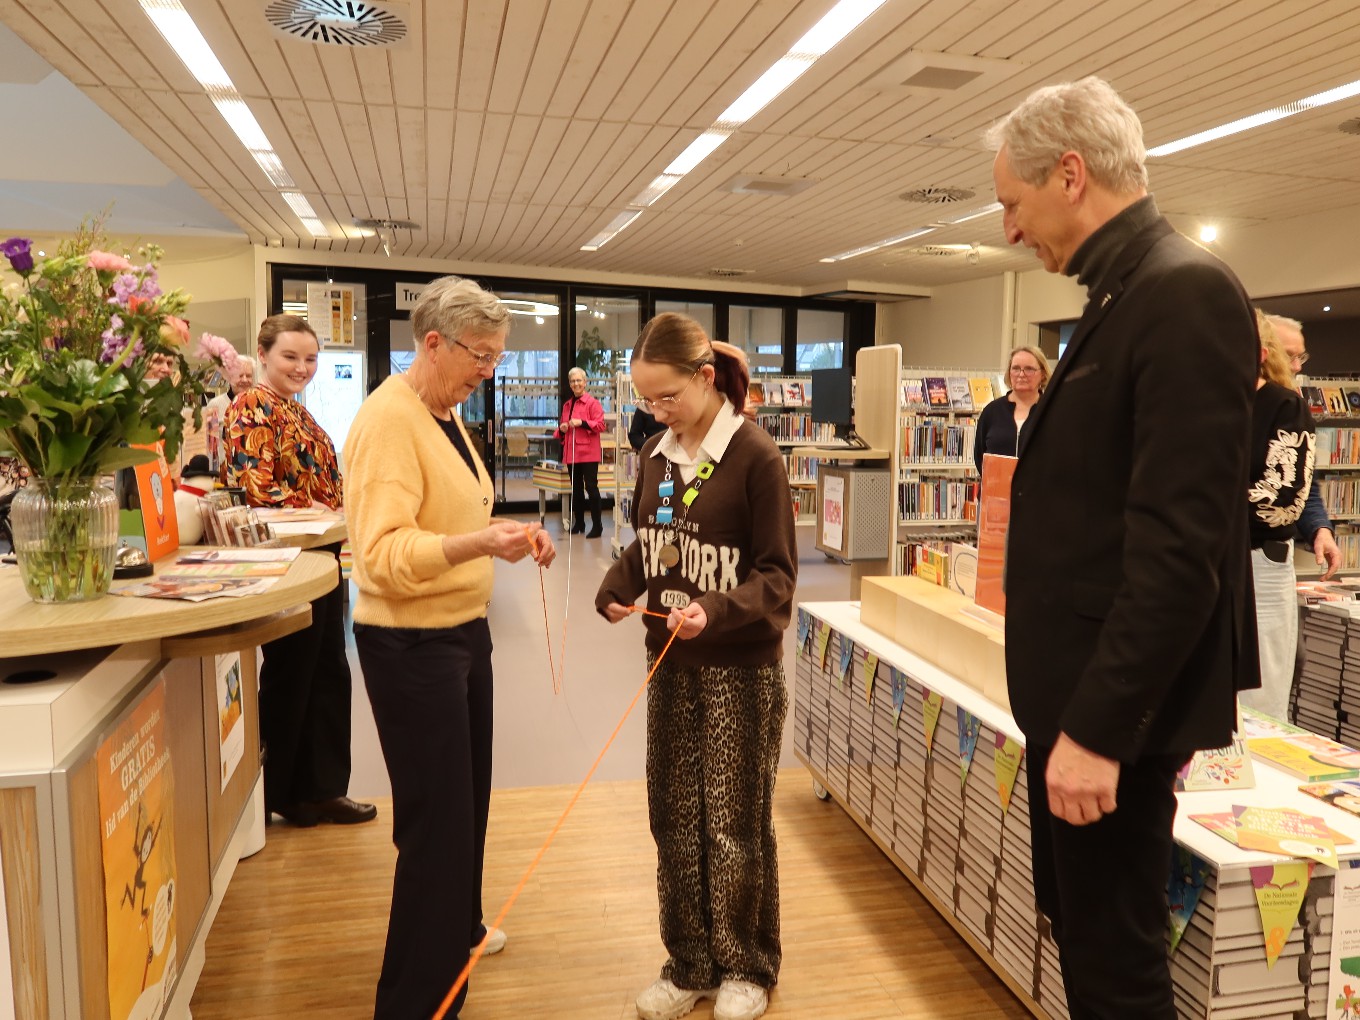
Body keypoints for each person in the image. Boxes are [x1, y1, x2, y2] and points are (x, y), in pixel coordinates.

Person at [985, 77, 1259, 1019]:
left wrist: (1098, 732)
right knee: (1085, 934)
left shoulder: (1183, 293)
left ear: (1070, 175)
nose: (1011, 231)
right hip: (1076, 710)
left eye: (1012, 205)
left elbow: (1180, 552)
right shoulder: (1121, 293)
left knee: (1117, 963)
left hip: (1112, 726)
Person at [343, 276, 555, 1020]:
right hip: (412, 646)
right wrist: (479, 543)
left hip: (460, 634)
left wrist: (507, 538)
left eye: (497, 356)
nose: (490, 370)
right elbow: (379, 555)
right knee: (437, 831)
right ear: (432, 342)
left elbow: (455, 509)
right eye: (481, 355)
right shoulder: (389, 421)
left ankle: (457, 931)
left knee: (467, 810)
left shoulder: (444, 414)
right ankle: (416, 1004)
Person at [595, 312, 798, 1020]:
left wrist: (717, 610)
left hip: (739, 671)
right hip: (671, 662)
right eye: (646, 400)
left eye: (667, 398)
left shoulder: (756, 457)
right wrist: (619, 585)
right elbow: (653, 543)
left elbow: (777, 577)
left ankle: (746, 965)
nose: (656, 412)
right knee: (673, 817)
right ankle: (690, 963)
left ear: (706, 380)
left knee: (733, 820)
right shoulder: (655, 454)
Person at [221, 314, 375, 829]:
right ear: (262, 354)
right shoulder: (250, 408)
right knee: (291, 675)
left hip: (323, 555)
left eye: (310, 359)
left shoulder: (297, 412)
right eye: (290, 357)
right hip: (286, 558)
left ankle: (322, 788)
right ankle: (271, 792)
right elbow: (256, 491)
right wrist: (328, 514)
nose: (302, 368)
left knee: (329, 670)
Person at [1240, 311, 1314, 721]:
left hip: (1257, 562)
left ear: (1260, 353)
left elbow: (1283, 500)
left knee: (1260, 698)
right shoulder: (1202, 406)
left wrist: (1200, 512)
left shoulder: (1284, 406)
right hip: (1202, 560)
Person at [1270, 313, 1343, 579]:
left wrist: (1320, 529)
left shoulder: (1294, 410)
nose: (1297, 366)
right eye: (1289, 355)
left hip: (1276, 555)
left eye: (1301, 357)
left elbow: (1302, 484)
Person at [972, 345, 1050, 472]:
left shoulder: (1052, 411)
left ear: (1043, 374)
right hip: (996, 490)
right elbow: (979, 456)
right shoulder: (991, 412)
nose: (1021, 374)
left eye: (1029, 369)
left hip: (1038, 491)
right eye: (1015, 368)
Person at [555, 366, 606, 537]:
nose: (576, 384)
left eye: (579, 380)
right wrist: (562, 429)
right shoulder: (567, 405)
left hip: (588, 454)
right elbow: (561, 430)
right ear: (570, 384)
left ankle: (597, 526)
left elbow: (600, 425)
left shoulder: (593, 403)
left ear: (585, 382)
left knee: (591, 488)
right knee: (575, 490)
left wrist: (582, 422)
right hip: (571, 454)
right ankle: (579, 523)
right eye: (572, 381)